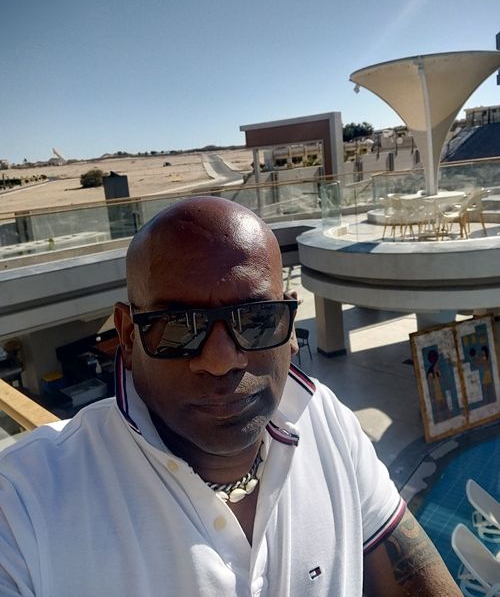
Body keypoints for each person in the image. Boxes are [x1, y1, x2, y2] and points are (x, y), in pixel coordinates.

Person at [0, 196, 460, 596]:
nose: (221, 361)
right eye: (177, 327)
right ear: (126, 334)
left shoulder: (325, 420)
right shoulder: (24, 503)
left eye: (257, 319)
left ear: (290, 327)